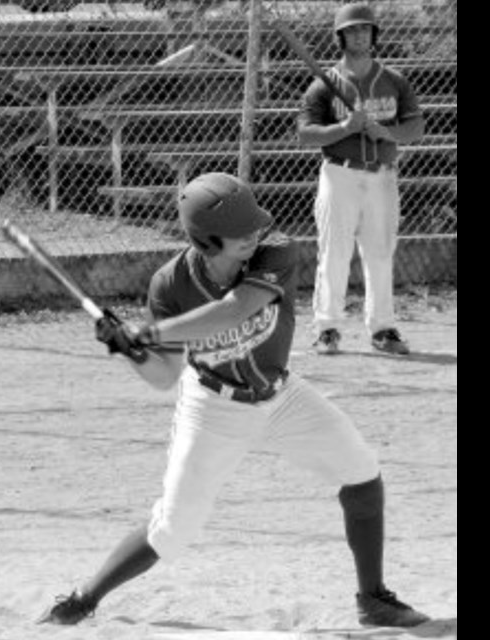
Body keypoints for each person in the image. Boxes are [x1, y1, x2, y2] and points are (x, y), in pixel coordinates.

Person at [36, 172, 430, 629]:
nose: (253, 233)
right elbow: (163, 375)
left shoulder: (275, 249)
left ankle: (374, 599)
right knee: (172, 531)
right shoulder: (169, 286)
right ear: (206, 241)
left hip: (281, 395)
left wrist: (149, 331)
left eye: (254, 224)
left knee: (361, 472)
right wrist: (130, 348)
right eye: (239, 231)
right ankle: (83, 599)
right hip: (212, 409)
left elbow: (237, 308)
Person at [297, 2, 425, 356]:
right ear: (341, 37)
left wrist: (386, 131)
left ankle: (383, 329)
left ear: (373, 35)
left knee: (381, 252)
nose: (359, 35)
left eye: (364, 29)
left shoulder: (394, 80)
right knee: (334, 252)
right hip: (340, 174)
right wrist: (344, 127)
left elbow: (416, 127)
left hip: (382, 177)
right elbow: (305, 133)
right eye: (351, 30)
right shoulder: (324, 84)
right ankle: (327, 328)